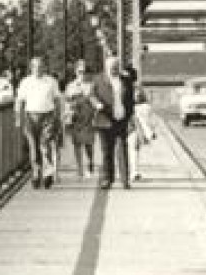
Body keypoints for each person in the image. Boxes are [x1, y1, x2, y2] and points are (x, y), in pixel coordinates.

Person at [16, 57, 63, 189]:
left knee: (45, 144)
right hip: (30, 116)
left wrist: (58, 117)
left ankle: (47, 173)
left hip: (47, 116)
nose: (38, 69)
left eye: (41, 66)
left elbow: (57, 100)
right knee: (33, 147)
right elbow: (19, 100)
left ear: (45, 67)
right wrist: (18, 118)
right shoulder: (26, 82)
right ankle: (36, 173)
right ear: (31, 68)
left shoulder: (51, 81)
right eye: (35, 66)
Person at [91, 56, 135, 189]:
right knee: (106, 151)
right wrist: (97, 104)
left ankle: (125, 180)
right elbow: (91, 95)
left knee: (123, 149)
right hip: (105, 119)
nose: (113, 69)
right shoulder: (98, 79)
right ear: (106, 67)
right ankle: (107, 179)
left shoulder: (126, 80)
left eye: (116, 67)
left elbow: (130, 99)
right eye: (111, 67)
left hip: (121, 119)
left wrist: (131, 116)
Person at [63, 59, 98, 179]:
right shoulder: (70, 86)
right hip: (76, 118)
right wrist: (67, 114)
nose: (82, 74)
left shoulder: (91, 85)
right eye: (79, 71)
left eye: (84, 72)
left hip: (88, 118)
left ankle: (90, 163)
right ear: (76, 72)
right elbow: (67, 101)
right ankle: (79, 169)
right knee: (77, 144)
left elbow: (95, 101)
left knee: (89, 144)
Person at [124, 63, 158, 182]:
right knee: (133, 147)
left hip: (132, 121)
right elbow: (146, 105)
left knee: (133, 147)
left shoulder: (135, 88)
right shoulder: (135, 88)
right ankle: (132, 172)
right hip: (129, 121)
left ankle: (133, 172)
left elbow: (143, 104)